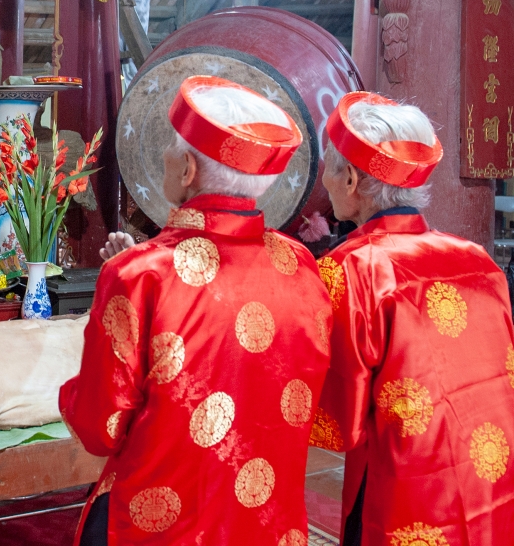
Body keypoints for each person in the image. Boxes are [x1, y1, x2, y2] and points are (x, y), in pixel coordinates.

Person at [61, 75, 332, 545]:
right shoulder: (301, 265)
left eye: (170, 147)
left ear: (187, 169)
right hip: (267, 522)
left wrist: (69, 393)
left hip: (162, 526)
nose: (164, 155)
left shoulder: (139, 275)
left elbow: (100, 429)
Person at [310, 92, 514, 545]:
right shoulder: (478, 259)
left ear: (350, 180)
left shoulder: (352, 268)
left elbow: (336, 418)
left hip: (410, 488)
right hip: (491, 476)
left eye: (329, 166)